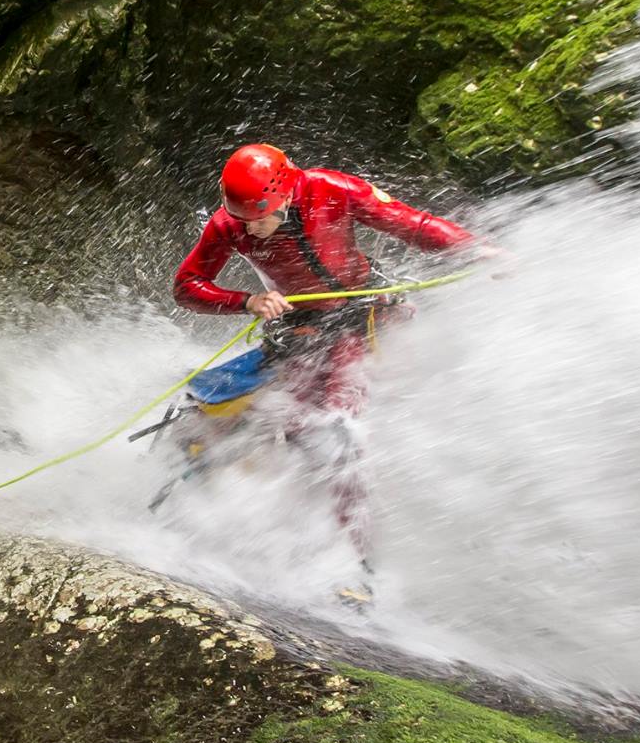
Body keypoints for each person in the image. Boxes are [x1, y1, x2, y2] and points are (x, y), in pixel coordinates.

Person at [172, 143, 484, 590]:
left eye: (261, 217)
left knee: (361, 418)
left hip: (370, 310)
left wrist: (478, 250)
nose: (253, 230)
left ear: (285, 195)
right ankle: (348, 562)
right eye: (244, 220)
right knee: (328, 429)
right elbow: (187, 287)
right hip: (307, 328)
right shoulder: (230, 226)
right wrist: (246, 301)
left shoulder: (330, 190)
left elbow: (411, 224)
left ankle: (364, 554)